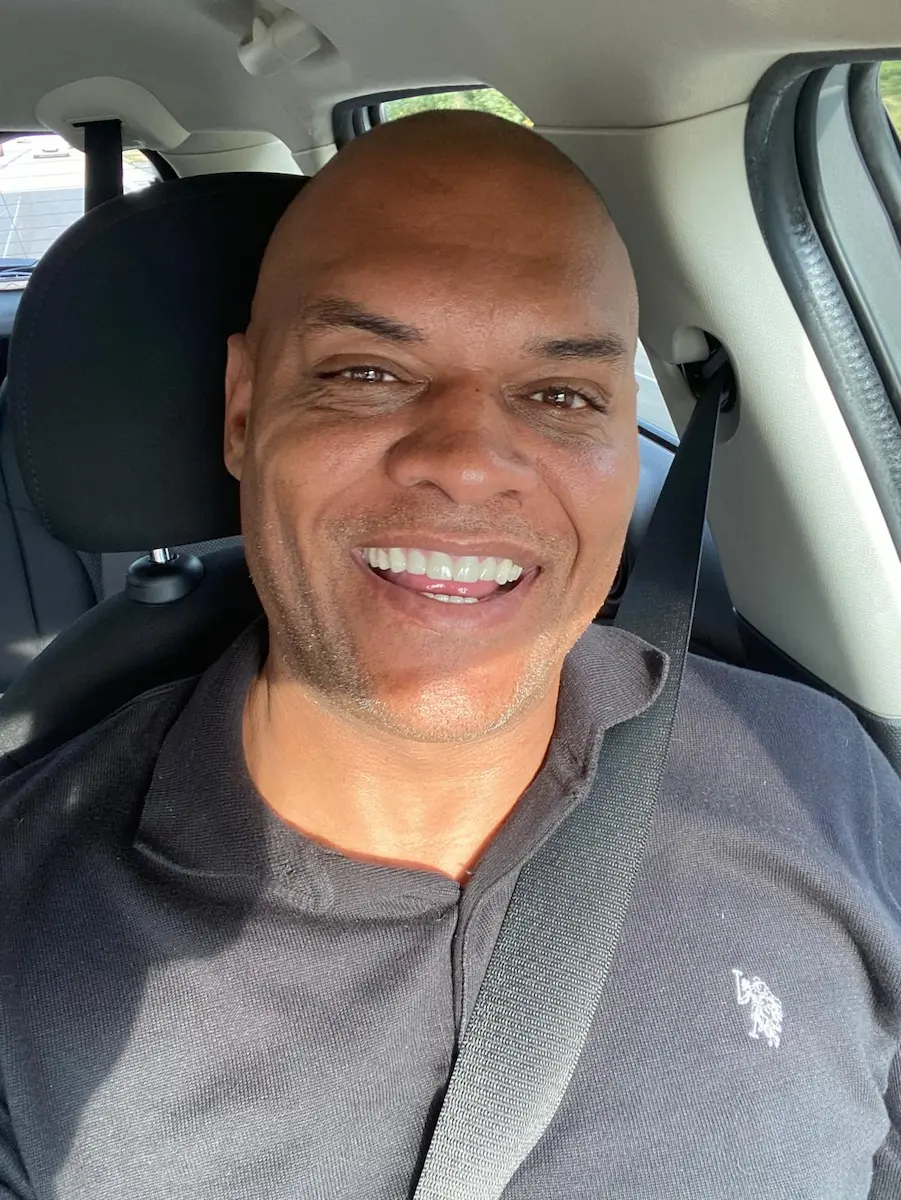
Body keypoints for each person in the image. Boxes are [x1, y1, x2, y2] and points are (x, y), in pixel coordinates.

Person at [1, 111, 900, 1200]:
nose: (469, 465)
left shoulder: (819, 781)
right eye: (368, 372)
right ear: (243, 409)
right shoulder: (32, 927)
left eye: (560, 393)